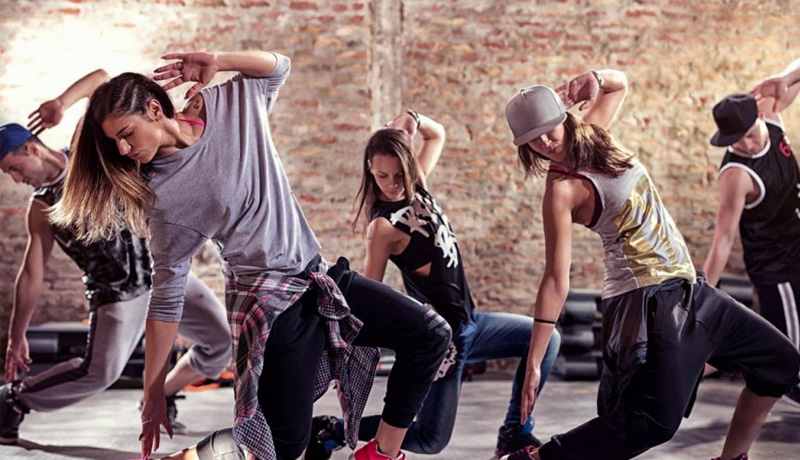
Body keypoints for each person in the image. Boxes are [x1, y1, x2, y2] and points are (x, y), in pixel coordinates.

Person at [50, 51, 451, 460]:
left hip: (318, 278)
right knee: (284, 444)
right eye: (115, 141)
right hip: (270, 305)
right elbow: (166, 298)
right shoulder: (163, 196)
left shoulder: (228, 104)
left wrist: (218, 59)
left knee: (430, 335)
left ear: (155, 110)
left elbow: (280, 66)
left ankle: (380, 455)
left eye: (127, 133)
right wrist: (154, 391)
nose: (122, 148)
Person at [499, 68, 800, 460]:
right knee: (653, 421)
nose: (544, 143)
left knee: (780, 363)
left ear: (564, 116)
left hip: (688, 286)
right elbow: (556, 279)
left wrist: (592, 78)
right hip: (644, 298)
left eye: (547, 129)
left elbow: (618, 84)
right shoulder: (561, 189)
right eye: (531, 139)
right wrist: (535, 362)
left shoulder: (595, 134)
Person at [307, 109, 561, 459]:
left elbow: (437, 133)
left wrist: (413, 118)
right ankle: (332, 430)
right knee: (430, 439)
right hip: (444, 341)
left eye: (400, 174)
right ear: (370, 170)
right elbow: (368, 297)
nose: (393, 184)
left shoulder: (419, 188)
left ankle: (513, 433)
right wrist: (349, 362)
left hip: (472, 323)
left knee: (547, 339)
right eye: (383, 175)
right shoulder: (382, 228)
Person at [0, 70, 232, 445]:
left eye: (14, 168)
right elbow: (31, 273)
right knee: (100, 372)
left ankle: (162, 392)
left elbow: (102, 81)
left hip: (160, 272)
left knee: (220, 343)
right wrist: (16, 337)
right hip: (116, 293)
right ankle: (13, 399)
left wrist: (60, 103)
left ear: (33, 149)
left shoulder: (84, 153)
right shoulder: (41, 206)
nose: (15, 178)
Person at [704, 58, 800, 408]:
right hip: (776, 268)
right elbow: (723, 238)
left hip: (797, 246)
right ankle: (678, 371)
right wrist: (704, 291)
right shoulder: (736, 176)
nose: (744, 145)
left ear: (761, 114)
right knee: (791, 363)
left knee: (764, 344)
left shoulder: (772, 112)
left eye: (748, 135)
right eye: (735, 141)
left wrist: (785, 77)